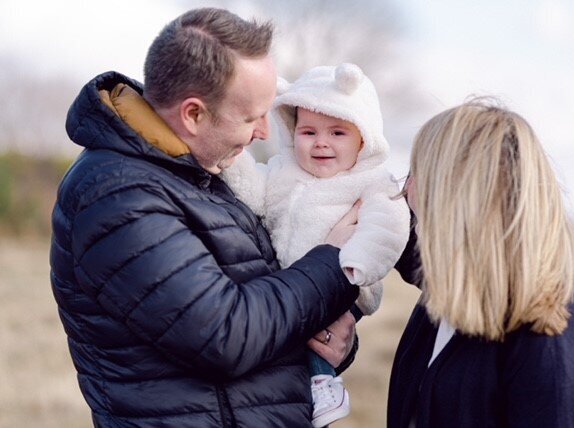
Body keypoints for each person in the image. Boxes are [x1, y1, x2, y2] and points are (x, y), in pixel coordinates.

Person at [50, 8, 362, 427]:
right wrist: (335, 261)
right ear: (193, 114)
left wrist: (329, 339)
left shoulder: (204, 173)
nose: (265, 133)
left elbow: (276, 300)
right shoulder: (115, 194)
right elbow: (224, 337)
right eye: (251, 117)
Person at [388, 99, 574, 427]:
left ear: (462, 193)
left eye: (420, 173)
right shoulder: (455, 283)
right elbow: (398, 243)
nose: (406, 190)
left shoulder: (549, 343)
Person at [221, 63, 410, 427]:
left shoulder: (371, 183)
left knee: (322, 332)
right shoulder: (283, 171)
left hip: (347, 284)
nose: (321, 142)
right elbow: (255, 191)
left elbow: (388, 227)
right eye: (308, 132)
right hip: (293, 284)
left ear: (363, 139)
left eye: (337, 132)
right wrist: (232, 162)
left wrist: (357, 262)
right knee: (294, 332)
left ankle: (324, 382)